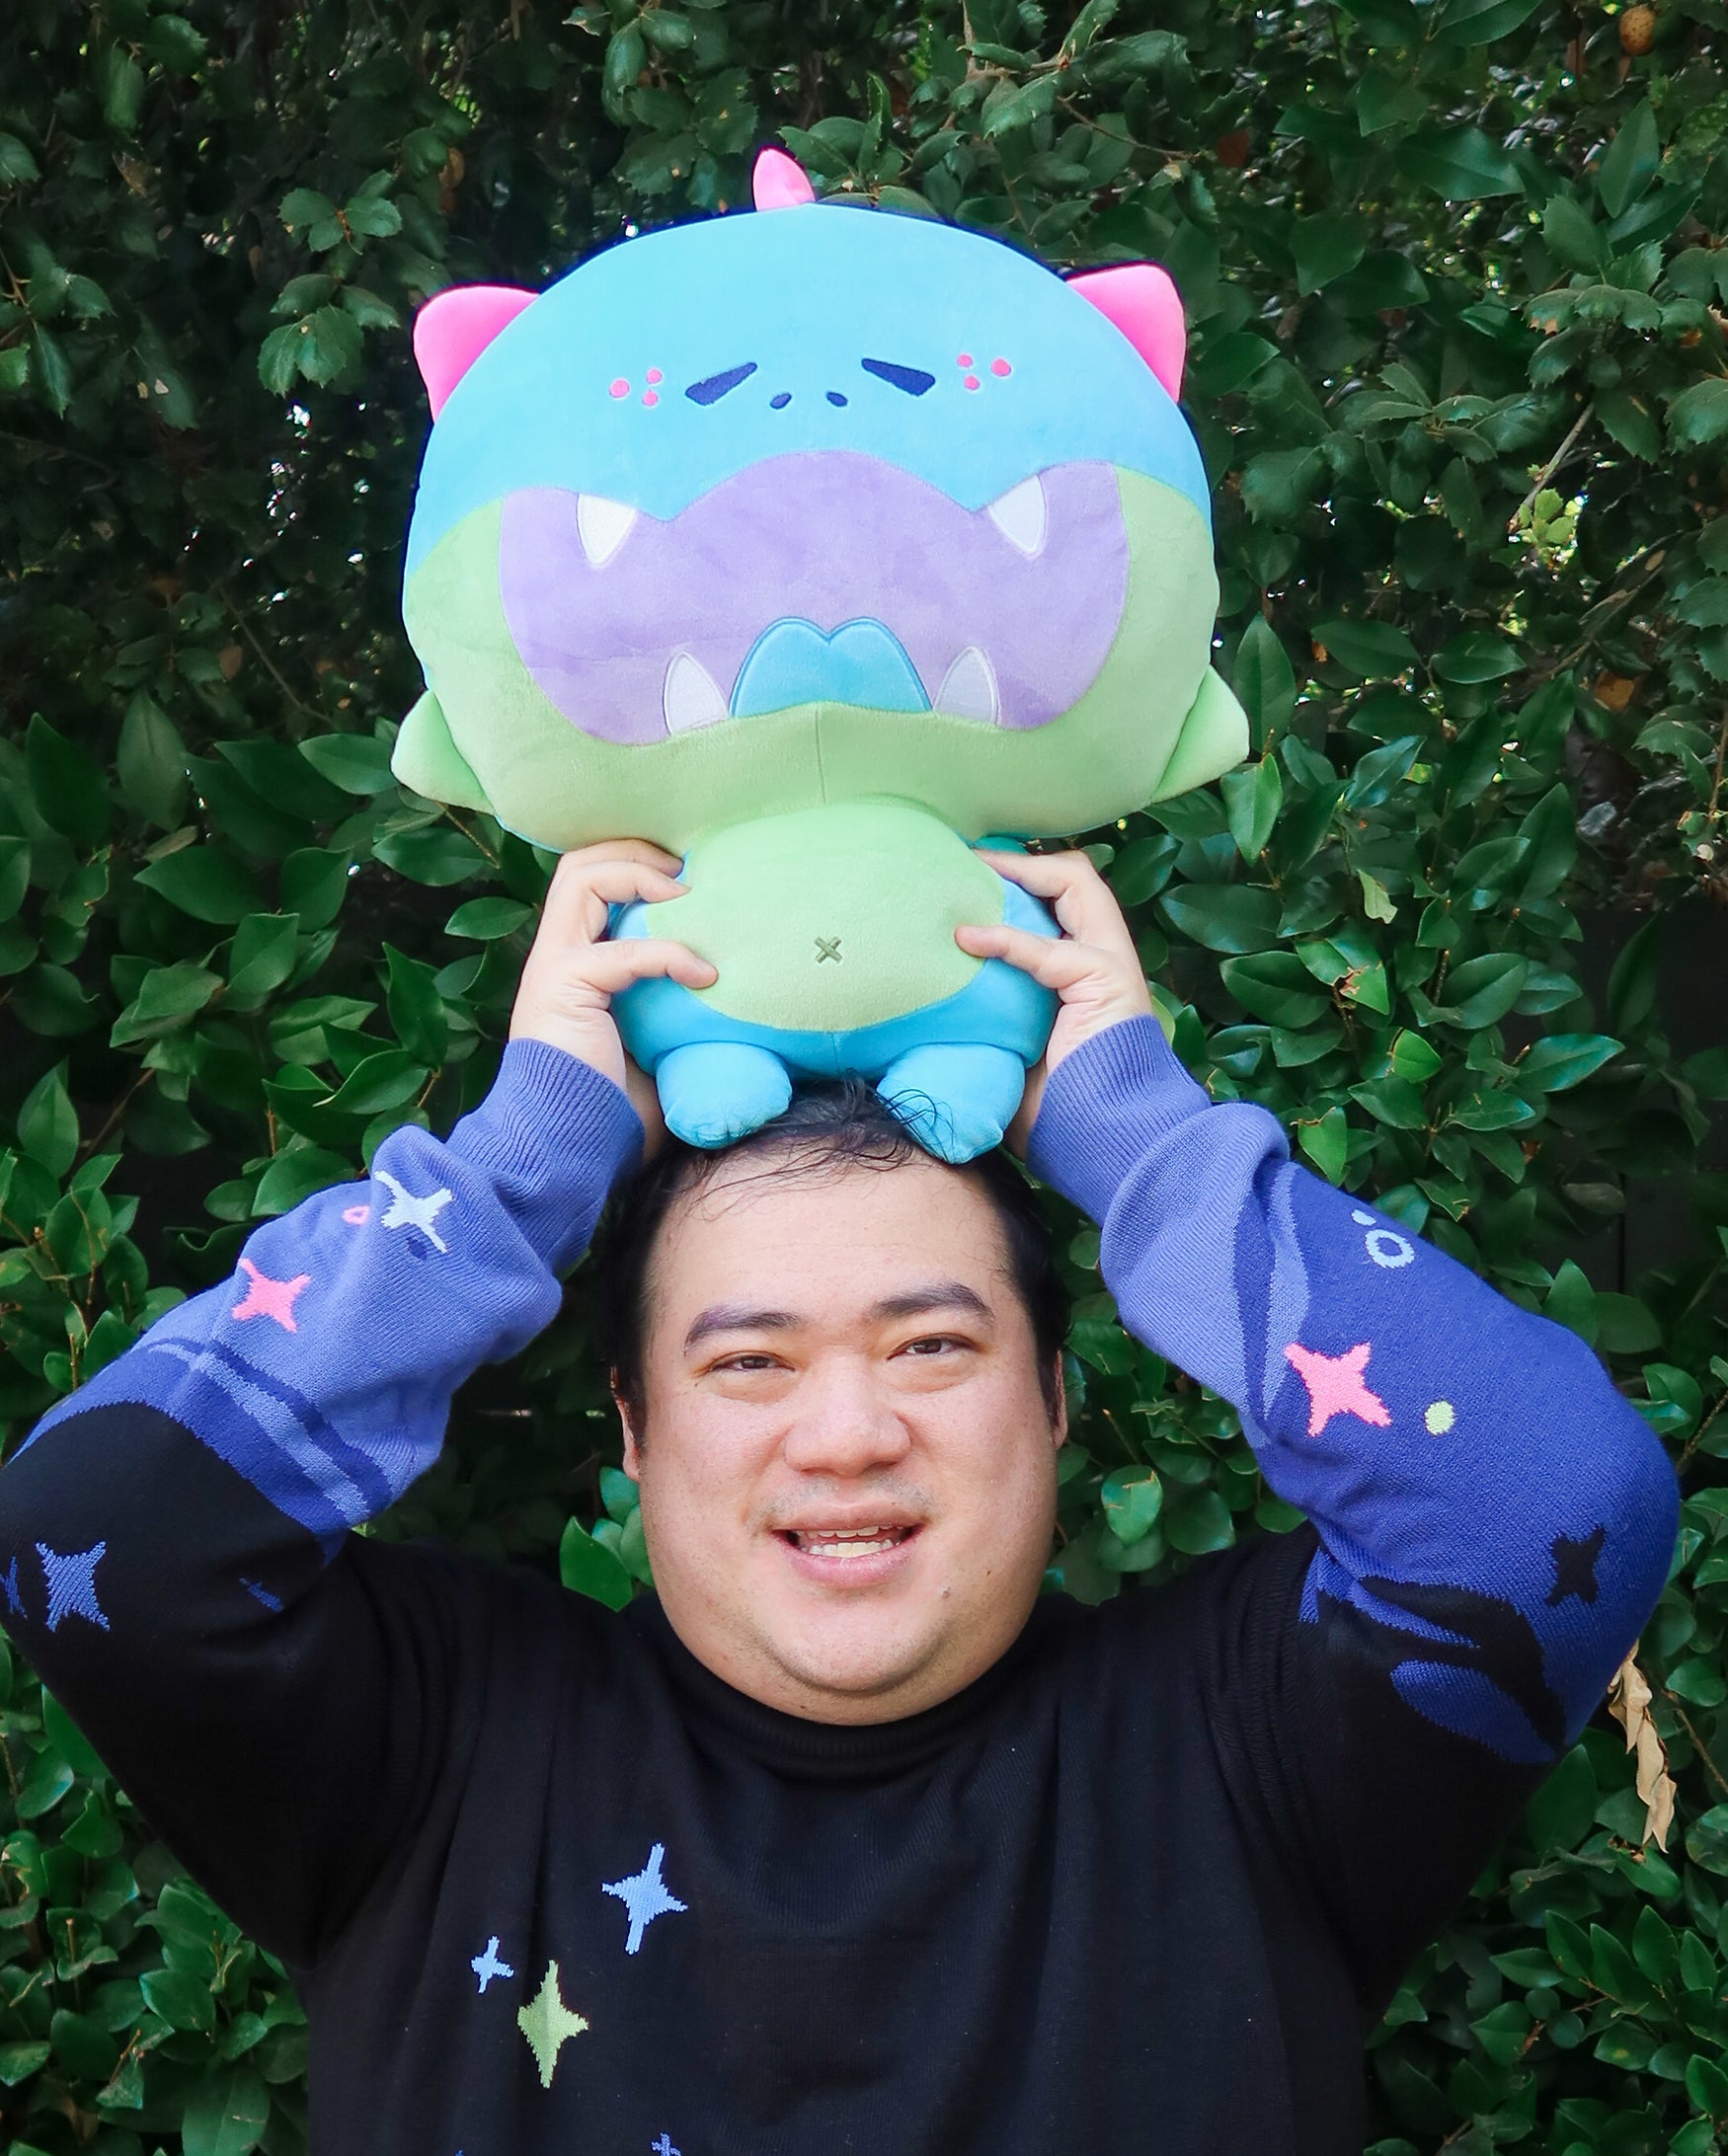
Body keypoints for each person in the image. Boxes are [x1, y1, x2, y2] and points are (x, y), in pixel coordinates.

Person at [0, 841, 1677, 2155]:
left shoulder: (1253, 1745)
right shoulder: (428, 1743)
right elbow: (103, 1533)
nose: (849, 1430)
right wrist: (522, 1164)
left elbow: (1546, 1500)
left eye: (932, 1345)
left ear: (1054, 1400)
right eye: (749, 1361)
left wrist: (1137, 1133)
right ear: (634, 1429)